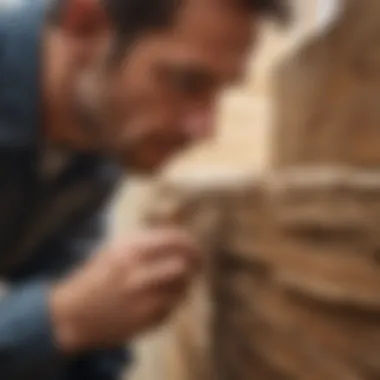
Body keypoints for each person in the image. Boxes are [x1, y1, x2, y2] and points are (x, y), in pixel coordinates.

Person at [0, 0, 289, 379]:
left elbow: (81, 342)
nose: (204, 129)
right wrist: (63, 318)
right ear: (84, 23)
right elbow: (67, 318)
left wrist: (94, 319)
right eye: (186, 82)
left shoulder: (95, 140)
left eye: (220, 91)